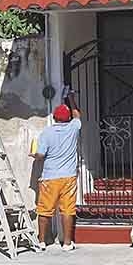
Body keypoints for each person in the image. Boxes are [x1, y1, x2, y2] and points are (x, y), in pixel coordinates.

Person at [30, 87, 81, 251]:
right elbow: (78, 115)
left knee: (44, 210)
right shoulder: (73, 128)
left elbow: (41, 155)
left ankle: (42, 241)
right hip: (69, 177)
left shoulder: (46, 133)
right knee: (67, 210)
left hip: (50, 177)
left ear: (54, 117)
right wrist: (71, 99)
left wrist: (34, 155)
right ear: (68, 118)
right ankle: (67, 243)